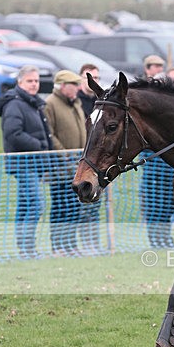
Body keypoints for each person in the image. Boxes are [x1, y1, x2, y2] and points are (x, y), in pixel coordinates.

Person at [0, 65, 52, 259]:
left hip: (34, 163)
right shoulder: (15, 104)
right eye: (30, 81)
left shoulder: (32, 103)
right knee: (36, 205)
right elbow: (13, 133)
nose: (34, 84)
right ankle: (27, 249)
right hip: (23, 163)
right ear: (20, 82)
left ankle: (23, 248)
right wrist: (39, 145)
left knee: (25, 205)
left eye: (36, 81)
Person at [45, 69, 86, 256]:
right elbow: (49, 133)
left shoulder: (76, 103)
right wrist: (64, 154)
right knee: (61, 208)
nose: (77, 88)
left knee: (74, 208)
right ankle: (58, 246)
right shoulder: (50, 104)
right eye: (74, 85)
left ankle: (70, 244)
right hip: (60, 169)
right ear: (62, 86)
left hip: (78, 167)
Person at [77, 63, 103, 252]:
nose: (94, 81)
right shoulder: (77, 103)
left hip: (96, 161)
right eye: (90, 77)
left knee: (95, 206)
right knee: (80, 208)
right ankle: (82, 243)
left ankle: (93, 242)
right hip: (82, 160)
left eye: (97, 78)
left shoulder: (100, 104)